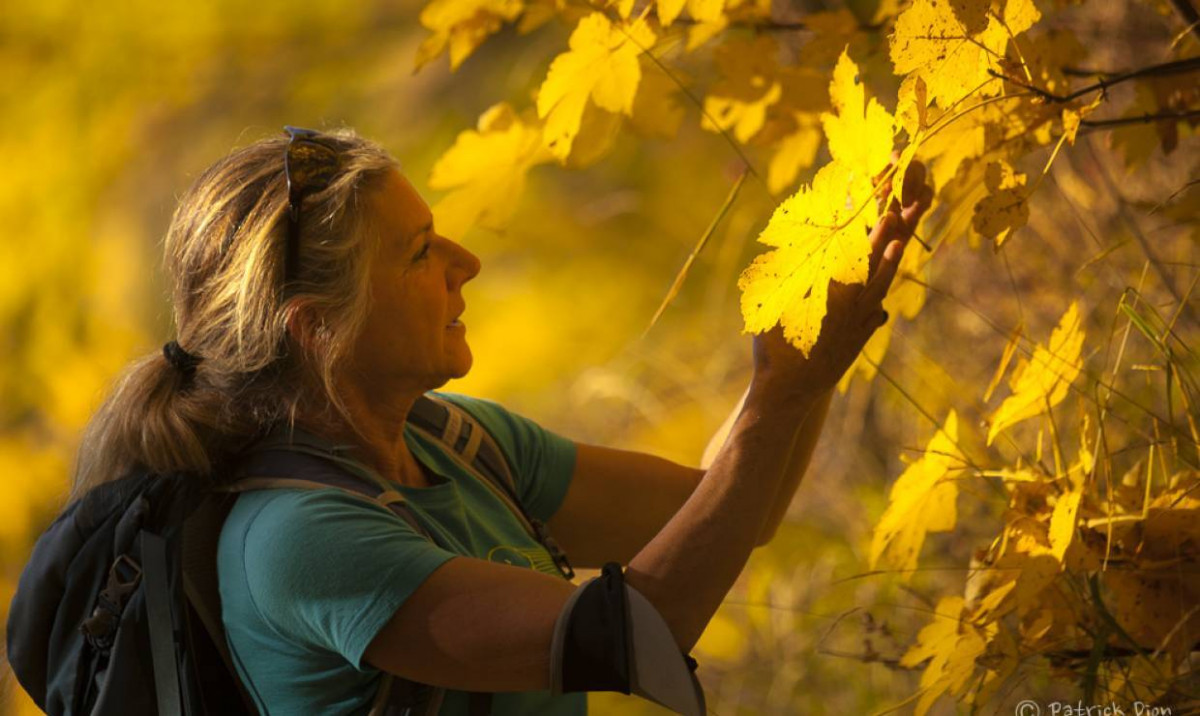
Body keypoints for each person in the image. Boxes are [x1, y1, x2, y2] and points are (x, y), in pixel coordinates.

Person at [70, 126, 932, 715]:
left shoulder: (453, 441)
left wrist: (809, 342)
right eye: (420, 252)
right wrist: (782, 396)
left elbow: (731, 511)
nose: (467, 263)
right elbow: (636, 638)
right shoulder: (298, 539)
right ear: (316, 328)